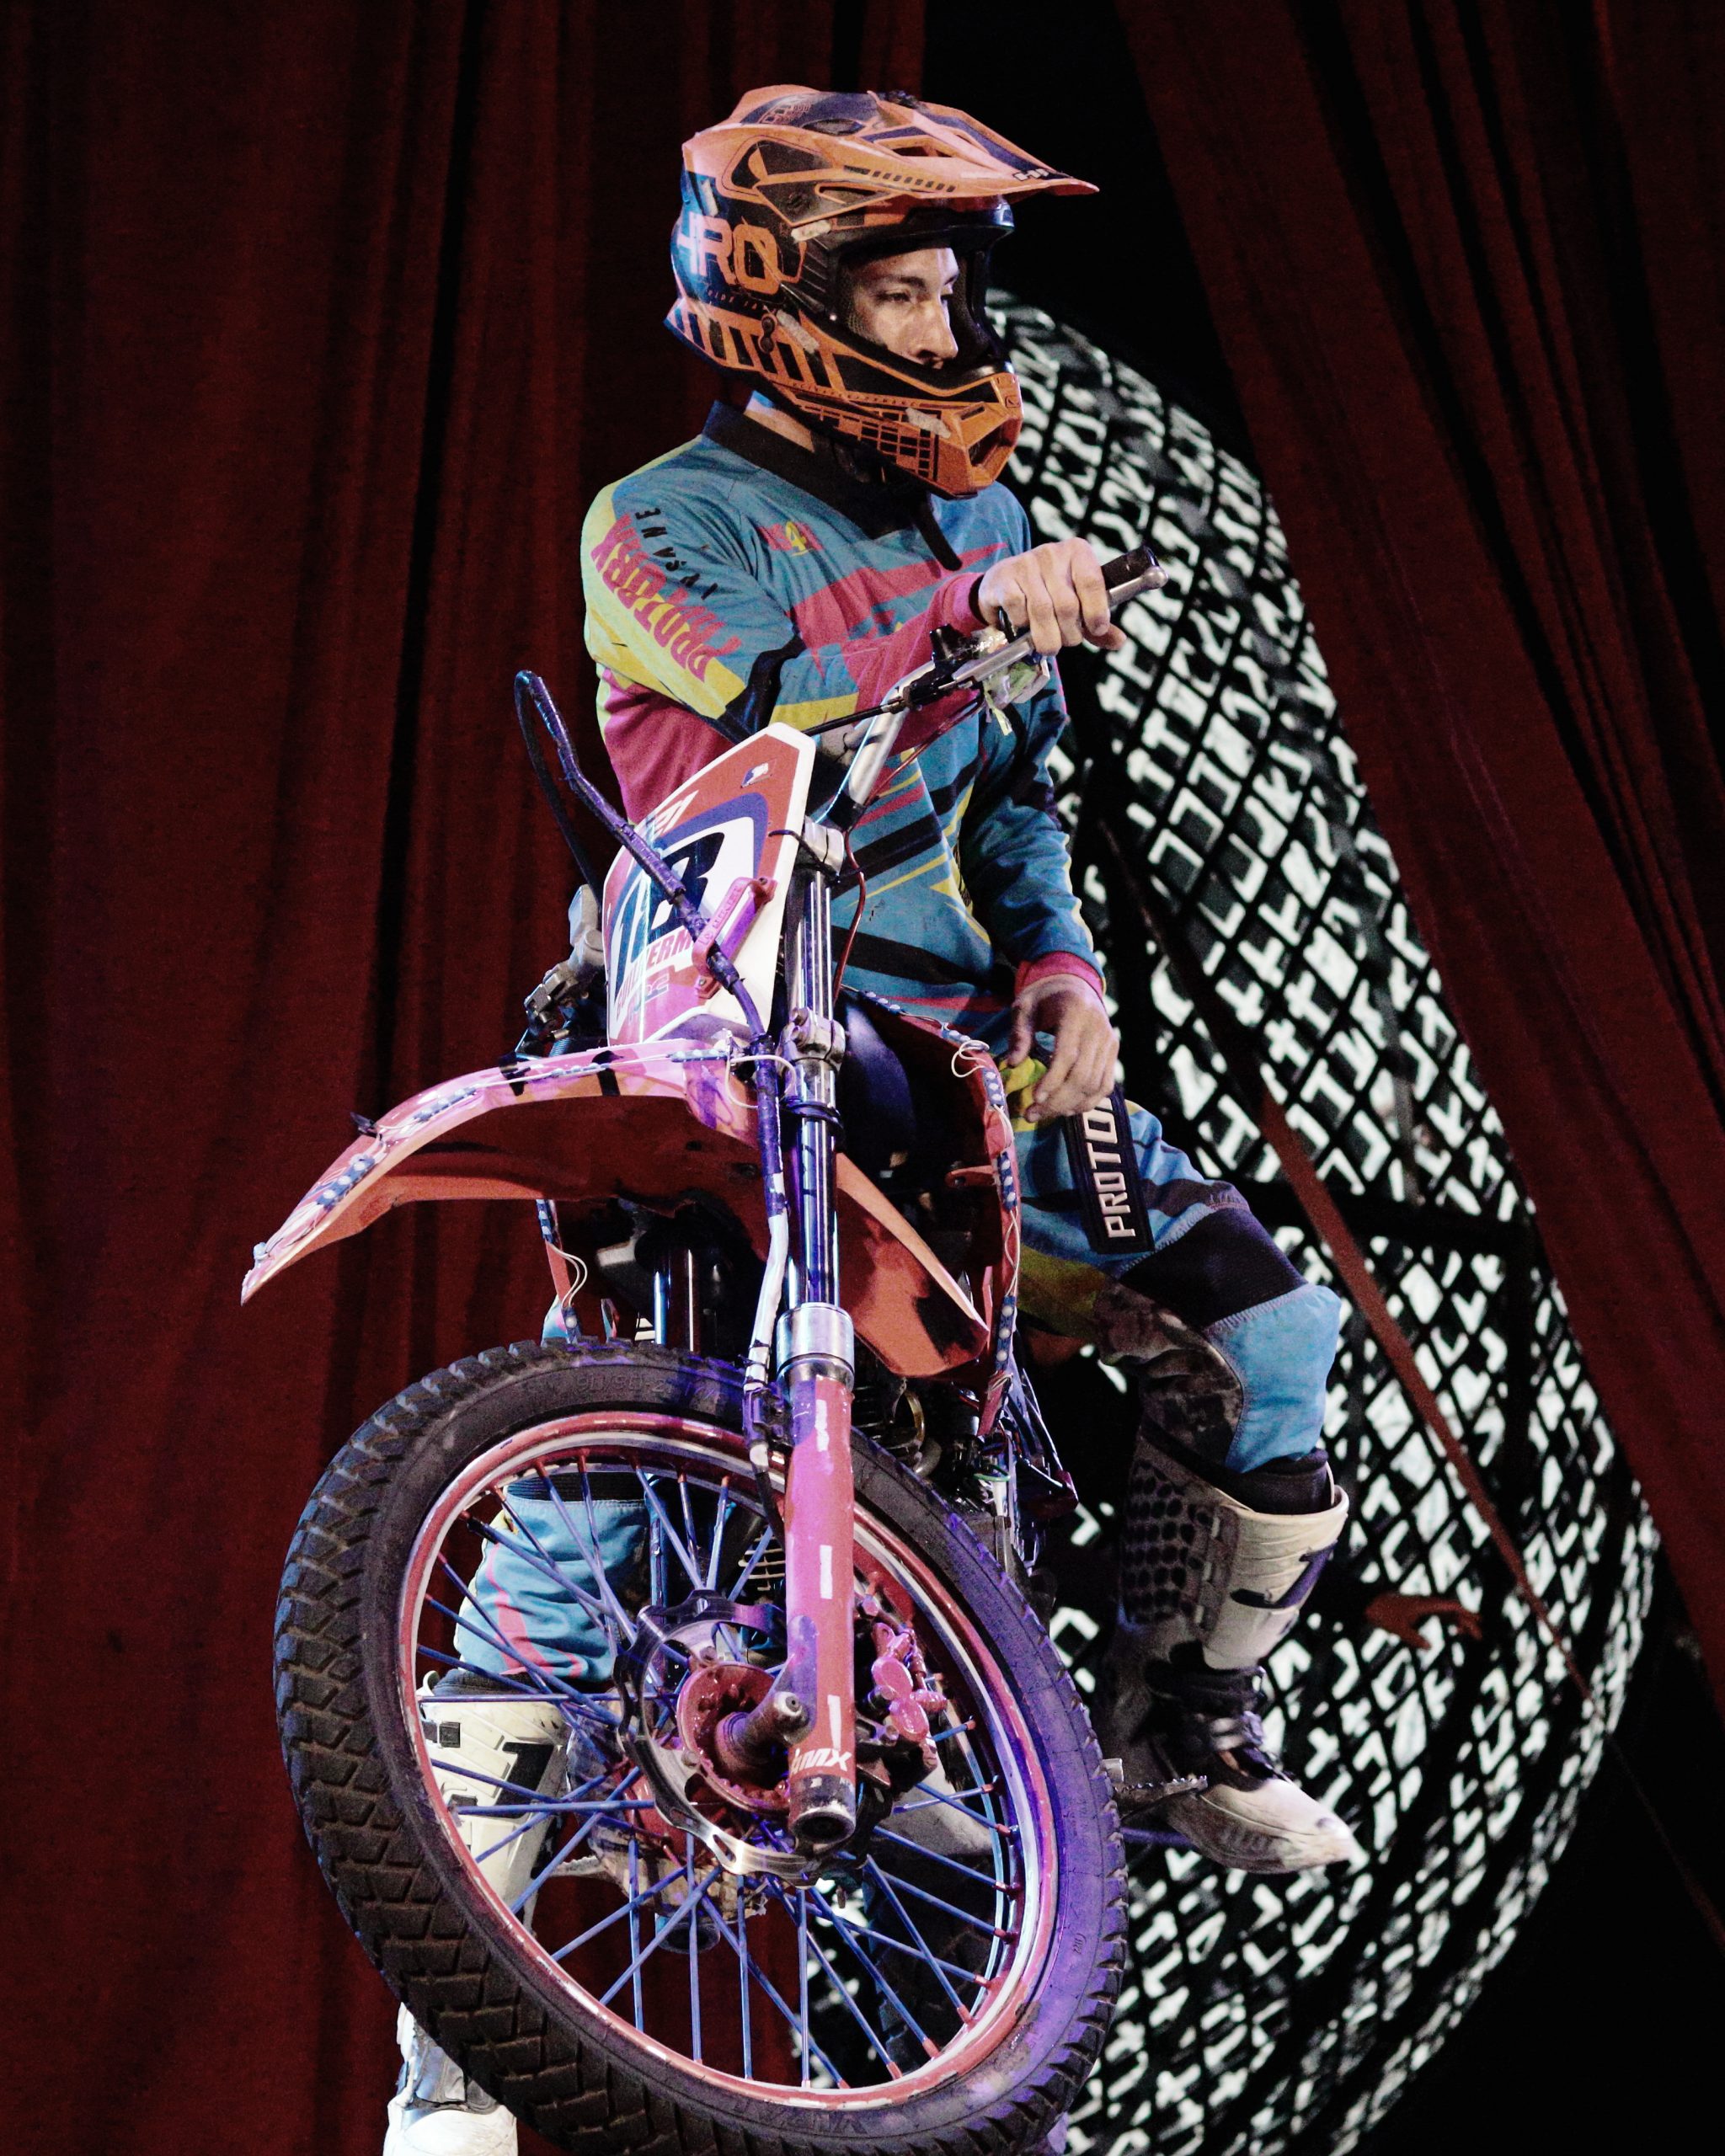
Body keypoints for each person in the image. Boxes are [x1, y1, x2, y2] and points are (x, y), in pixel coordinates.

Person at [387, 87, 1359, 2152]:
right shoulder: (658, 519)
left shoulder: (975, 517)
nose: (941, 328)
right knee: (585, 1524)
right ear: (786, 301)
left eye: (943, 292)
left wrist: (1063, 966)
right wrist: (964, 619)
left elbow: (1015, 804)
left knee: (1266, 1330)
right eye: (901, 294)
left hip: (953, 1066)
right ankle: (452, 2046)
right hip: (732, 1037)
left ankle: (1180, 1724)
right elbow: (757, 709)